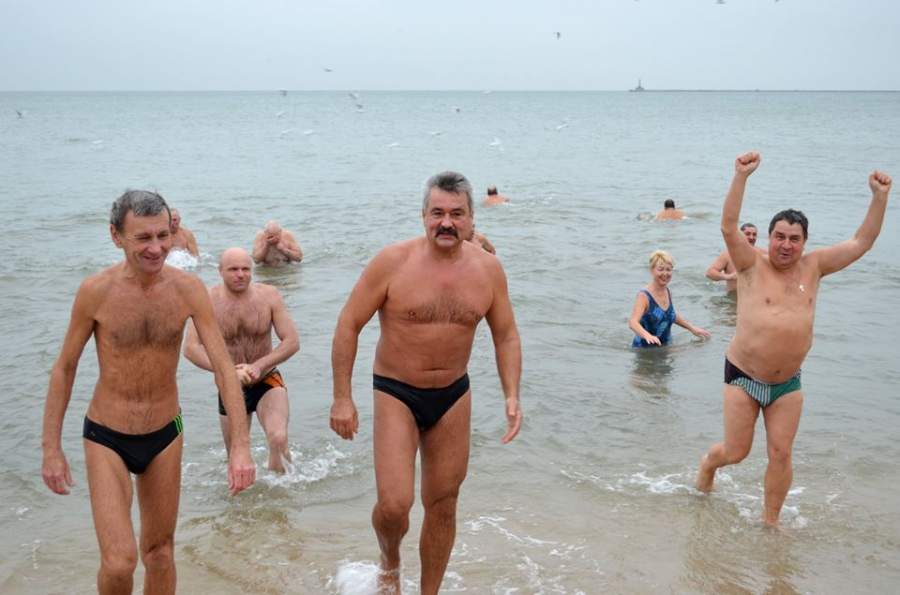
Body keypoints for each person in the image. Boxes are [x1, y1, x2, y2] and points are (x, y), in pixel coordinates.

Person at [40, 191, 255, 594]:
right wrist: (51, 449)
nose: (156, 248)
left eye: (162, 236)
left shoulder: (188, 290)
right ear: (115, 236)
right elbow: (64, 368)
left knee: (159, 554)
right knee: (119, 562)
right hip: (106, 434)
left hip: (165, 432)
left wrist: (240, 446)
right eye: (143, 238)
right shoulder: (96, 291)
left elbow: (225, 369)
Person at [329, 171, 522, 595]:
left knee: (444, 503)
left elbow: (506, 334)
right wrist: (342, 397)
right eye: (437, 213)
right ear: (423, 216)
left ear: (471, 219)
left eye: (456, 214)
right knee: (395, 506)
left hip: (453, 394)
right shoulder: (392, 262)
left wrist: (512, 394)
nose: (446, 222)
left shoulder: (489, 270)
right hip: (396, 390)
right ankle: (390, 562)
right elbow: (348, 323)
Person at [696, 152, 891, 525]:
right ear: (769, 238)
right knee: (736, 452)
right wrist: (741, 176)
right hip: (743, 375)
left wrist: (879, 198)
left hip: (787, 383)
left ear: (805, 242)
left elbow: (862, 241)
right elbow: (728, 225)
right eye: (780, 237)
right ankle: (708, 464)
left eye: (794, 239)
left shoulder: (815, 266)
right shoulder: (751, 263)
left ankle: (771, 523)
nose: (786, 245)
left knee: (781, 453)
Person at [184, 247, 300, 472]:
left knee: (278, 438)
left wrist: (259, 365)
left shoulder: (269, 295)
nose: (240, 274)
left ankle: (284, 488)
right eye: (233, 269)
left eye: (246, 269)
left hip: (267, 378)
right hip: (230, 384)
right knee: (236, 459)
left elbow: (292, 341)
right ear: (220, 271)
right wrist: (228, 371)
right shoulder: (207, 300)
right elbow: (191, 348)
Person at [628, 250, 710, 347]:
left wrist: (692, 328)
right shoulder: (644, 296)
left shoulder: (667, 291)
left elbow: (671, 314)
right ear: (652, 270)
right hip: (645, 350)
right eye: (660, 269)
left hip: (666, 346)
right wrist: (647, 336)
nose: (665, 273)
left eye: (668, 270)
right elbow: (633, 322)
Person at [705, 223, 762, 292]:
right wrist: (729, 277)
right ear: (740, 236)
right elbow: (709, 273)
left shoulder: (761, 255)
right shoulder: (728, 254)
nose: (751, 237)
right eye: (748, 234)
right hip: (732, 296)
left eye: (754, 234)